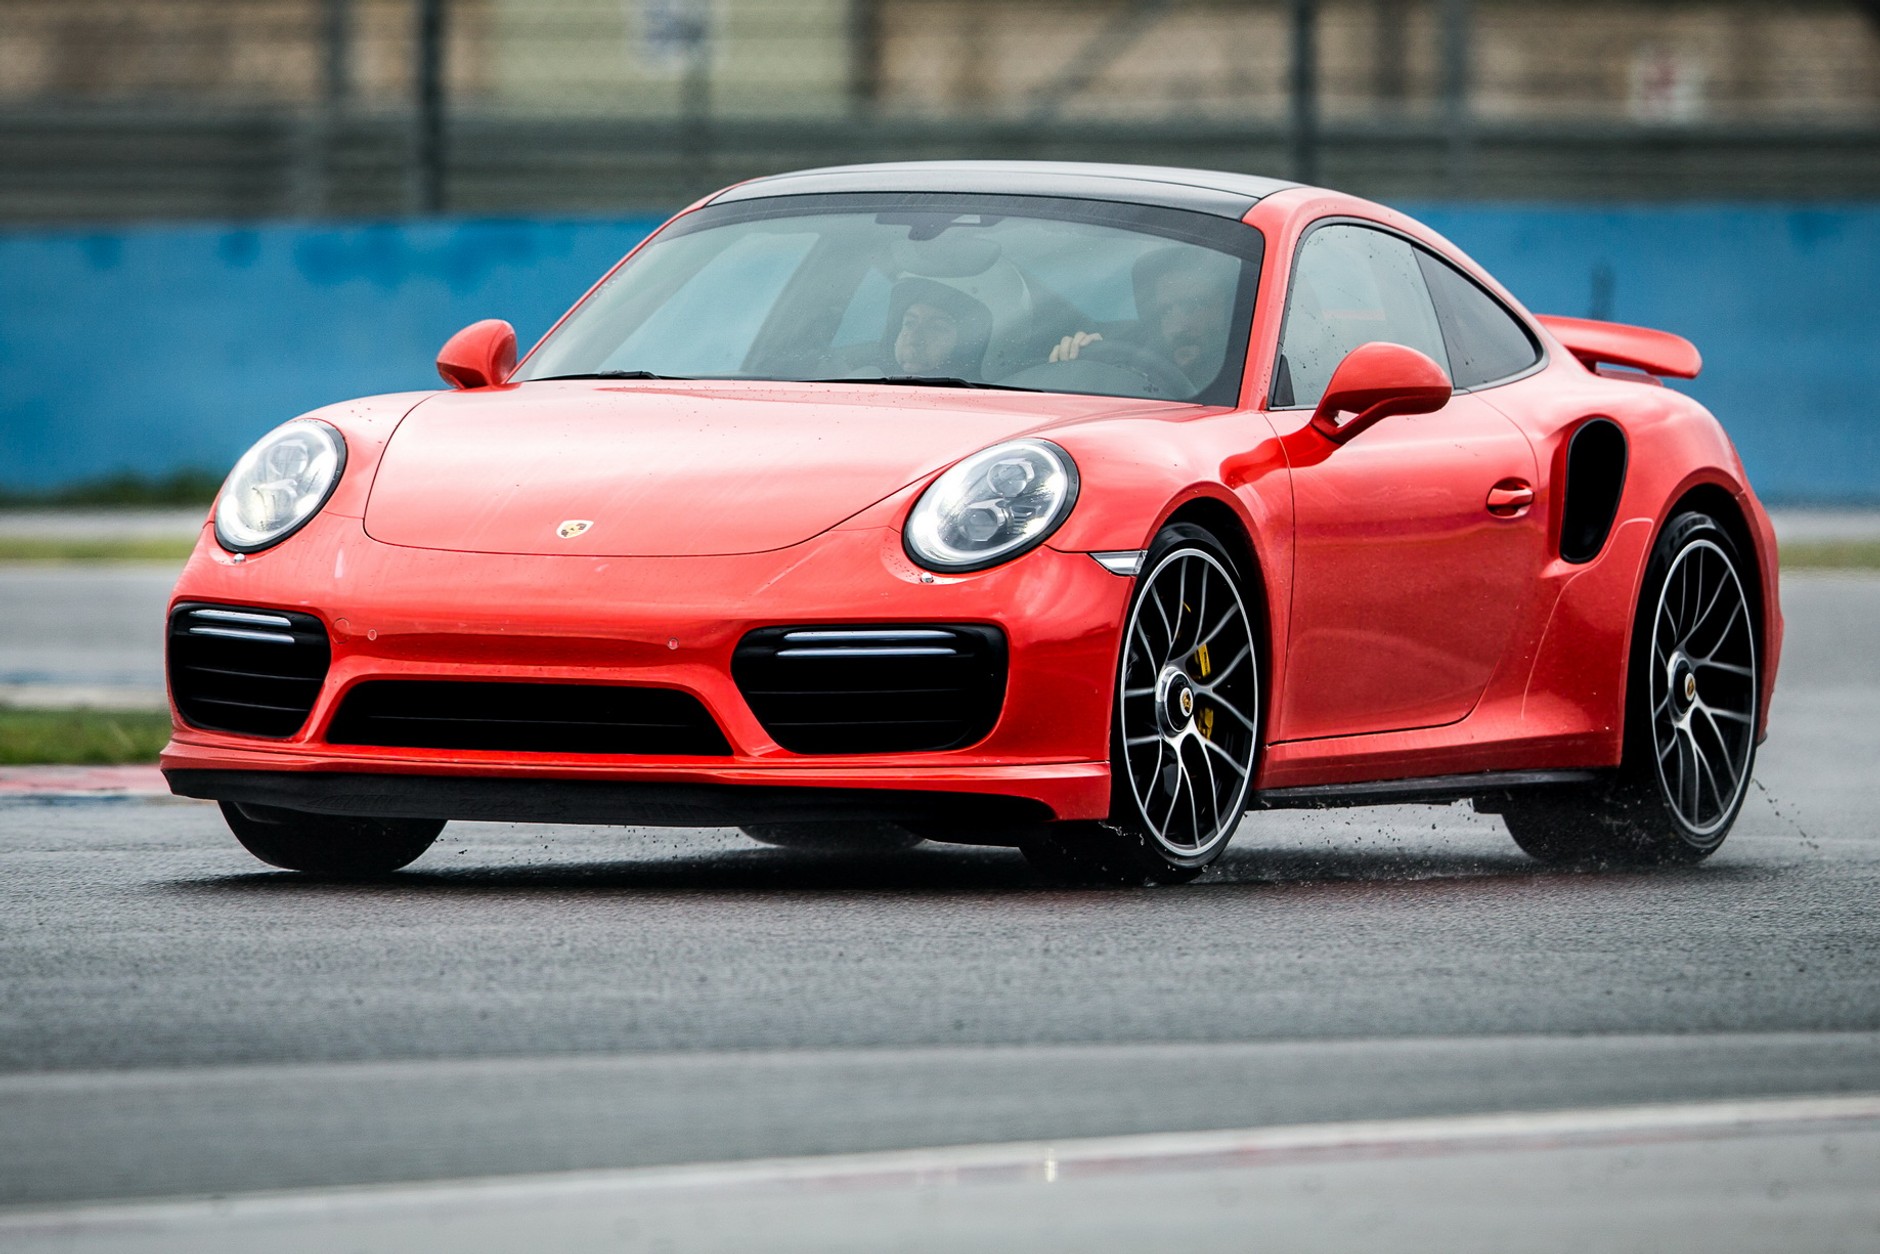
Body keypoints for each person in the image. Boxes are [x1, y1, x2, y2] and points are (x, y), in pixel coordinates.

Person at [1048, 246, 1236, 387]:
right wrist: (1078, 357)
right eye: (1166, 311)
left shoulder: (1257, 366)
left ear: (1227, 308)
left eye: (1195, 305)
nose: (1179, 326)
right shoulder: (1125, 348)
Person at [886, 277, 994, 378]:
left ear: (961, 344)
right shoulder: (871, 377)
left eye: (936, 328)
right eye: (909, 323)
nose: (914, 339)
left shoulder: (977, 394)